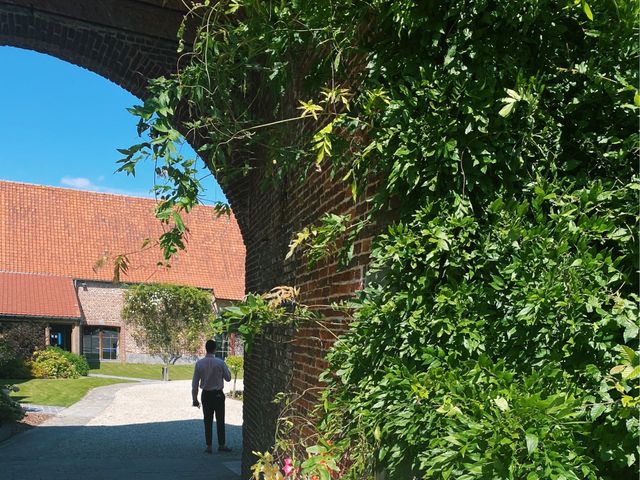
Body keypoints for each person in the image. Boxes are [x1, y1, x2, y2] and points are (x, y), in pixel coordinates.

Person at [192, 339, 232, 453]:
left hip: (206, 394)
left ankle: (209, 446)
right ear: (215, 349)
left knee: (207, 420)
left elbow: (195, 384)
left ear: (206, 348)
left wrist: (195, 399)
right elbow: (228, 378)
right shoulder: (220, 363)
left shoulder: (199, 364)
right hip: (218, 394)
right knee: (220, 419)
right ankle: (221, 444)